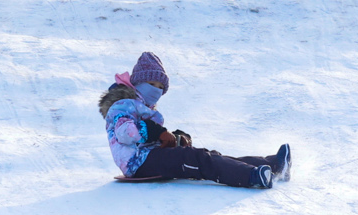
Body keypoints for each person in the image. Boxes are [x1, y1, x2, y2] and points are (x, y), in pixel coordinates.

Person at [98, 50, 289, 190]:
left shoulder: (142, 106)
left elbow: (148, 135)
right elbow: (126, 133)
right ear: (138, 83)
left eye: (160, 87)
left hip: (149, 157)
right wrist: (157, 132)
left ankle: (272, 165)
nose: (156, 90)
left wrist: (174, 137)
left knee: (206, 155)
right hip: (138, 163)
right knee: (196, 159)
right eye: (151, 84)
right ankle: (252, 177)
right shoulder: (122, 105)